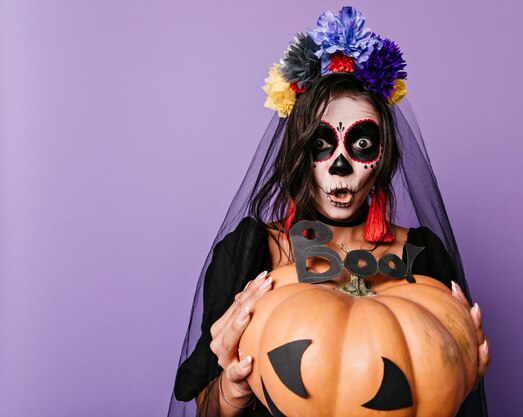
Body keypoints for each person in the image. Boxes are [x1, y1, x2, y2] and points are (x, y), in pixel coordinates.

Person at [168, 7, 491, 417]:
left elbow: (428, 394)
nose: (341, 167)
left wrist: (460, 376)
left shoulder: (423, 255)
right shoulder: (250, 253)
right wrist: (232, 384)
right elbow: (207, 412)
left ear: (385, 155)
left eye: (361, 145)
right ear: (299, 154)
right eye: (322, 144)